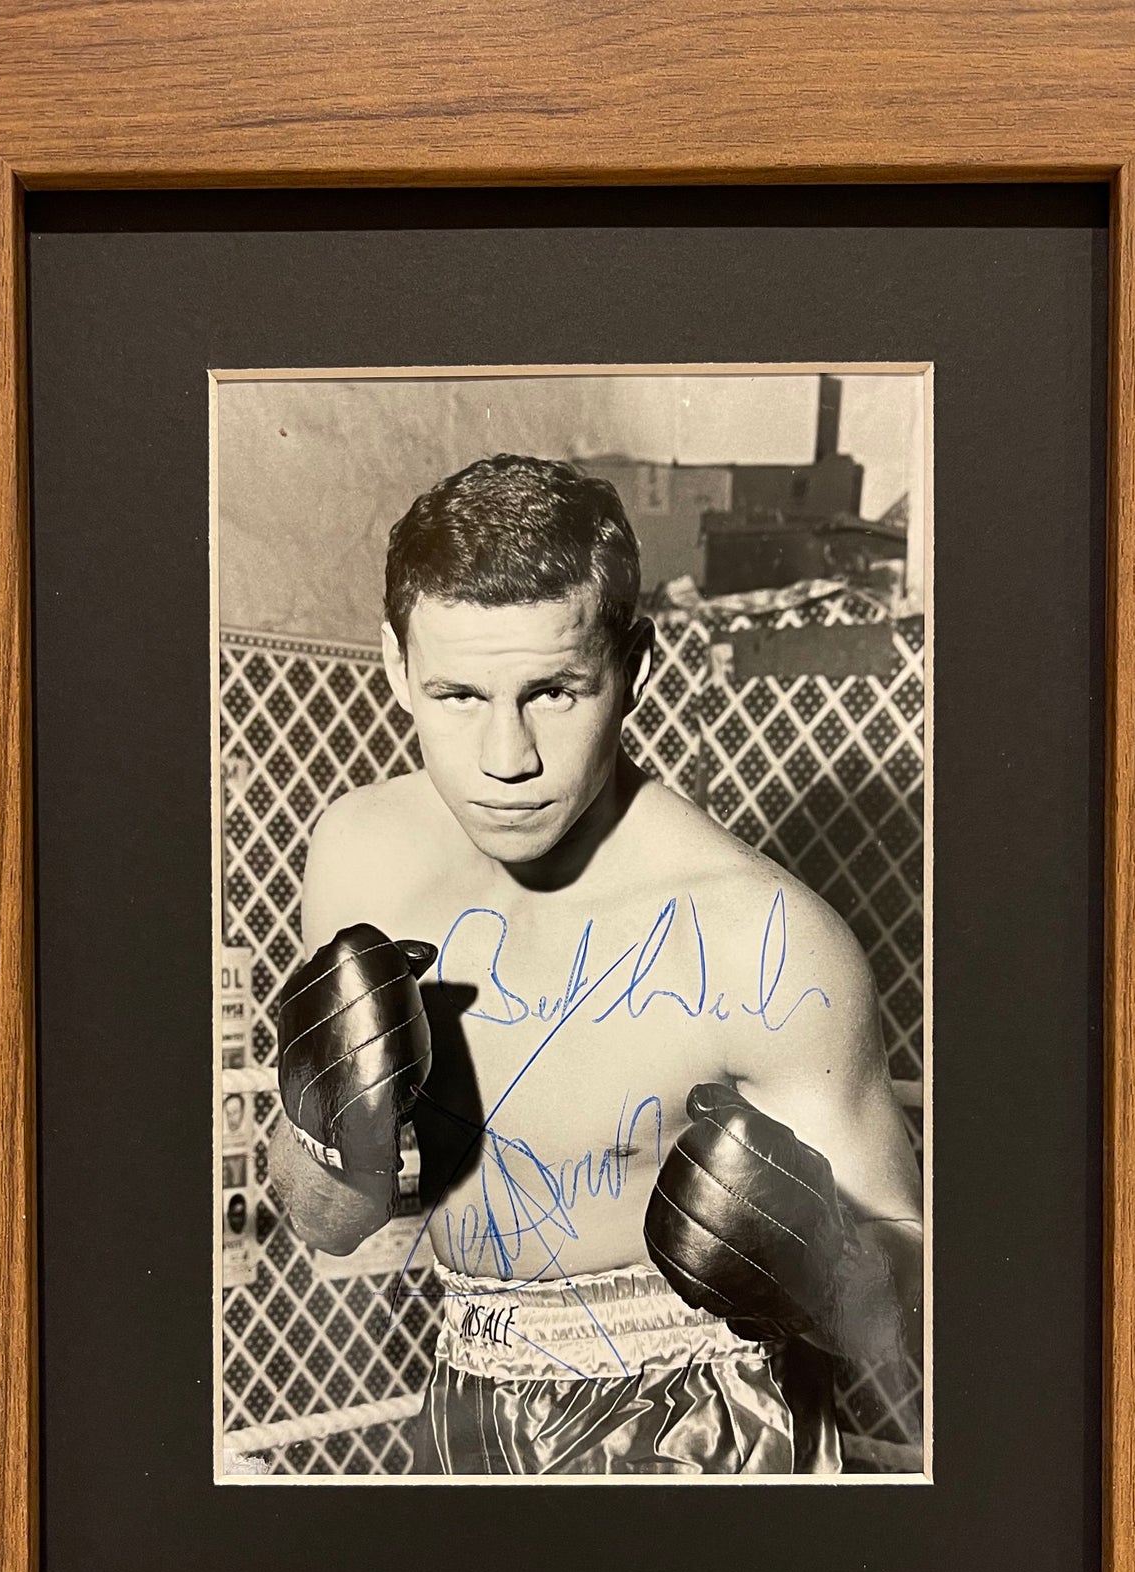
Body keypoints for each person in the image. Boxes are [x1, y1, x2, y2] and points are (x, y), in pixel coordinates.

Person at [267, 453, 923, 1476]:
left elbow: (894, 1318)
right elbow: (326, 1225)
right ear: (394, 665)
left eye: (554, 691)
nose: (505, 756)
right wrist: (327, 1121)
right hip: (463, 1402)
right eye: (454, 693)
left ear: (631, 668)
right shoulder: (358, 853)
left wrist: (823, 1256)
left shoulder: (763, 936)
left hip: (706, 1432)